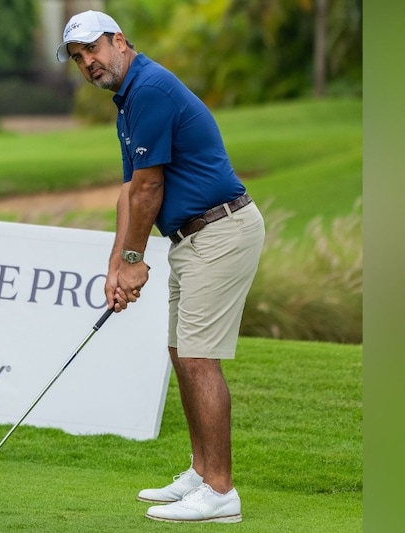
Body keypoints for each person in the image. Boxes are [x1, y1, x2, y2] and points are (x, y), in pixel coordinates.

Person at [56, 10, 265, 524]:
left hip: (219, 229)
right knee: (181, 351)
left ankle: (220, 492)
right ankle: (201, 472)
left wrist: (133, 260)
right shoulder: (127, 101)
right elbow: (130, 192)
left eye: (94, 49)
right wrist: (116, 268)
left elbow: (151, 188)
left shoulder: (149, 89)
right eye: (79, 57)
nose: (88, 62)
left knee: (198, 357)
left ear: (119, 41)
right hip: (192, 237)